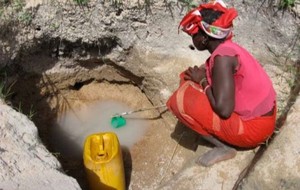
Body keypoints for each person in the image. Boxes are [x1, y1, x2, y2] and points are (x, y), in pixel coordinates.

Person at [166, 0, 276, 167]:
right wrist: (202, 78)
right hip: (264, 115)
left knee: (179, 102)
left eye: (193, 36)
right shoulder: (227, 47)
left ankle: (224, 148)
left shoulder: (223, 59)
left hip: (255, 129)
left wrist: (203, 81)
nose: (192, 40)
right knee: (187, 78)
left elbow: (224, 110)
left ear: (203, 39)